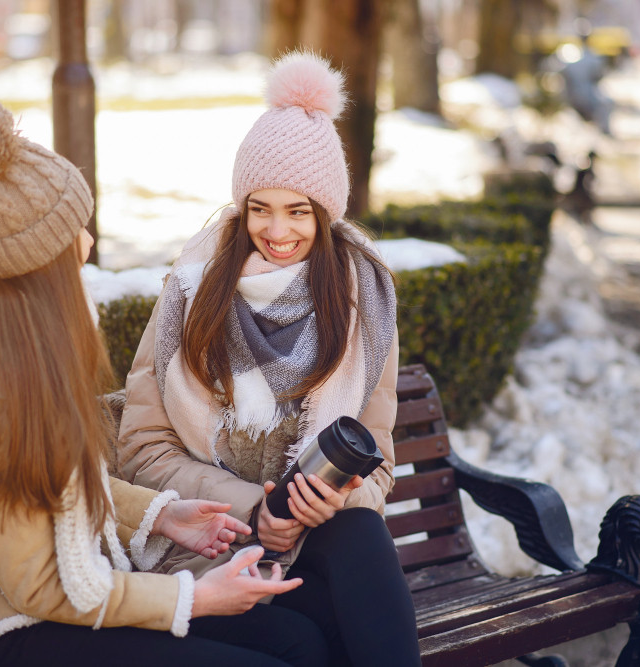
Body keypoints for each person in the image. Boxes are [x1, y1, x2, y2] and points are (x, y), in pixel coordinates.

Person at [0, 95, 331, 667]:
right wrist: (195, 598)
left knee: (300, 641)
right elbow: (41, 586)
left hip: (61, 611)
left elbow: (58, 491)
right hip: (5, 639)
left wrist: (162, 514)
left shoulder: (18, 351)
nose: (89, 242)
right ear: (37, 263)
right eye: (75, 230)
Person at [117, 52, 421, 667]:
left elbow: (377, 466)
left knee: (358, 532)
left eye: (298, 211)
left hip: (320, 546)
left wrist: (330, 502)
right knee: (322, 641)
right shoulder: (195, 288)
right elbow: (142, 448)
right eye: (260, 208)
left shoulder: (362, 298)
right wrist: (257, 509)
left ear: (326, 213)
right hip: (213, 547)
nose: (277, 231)